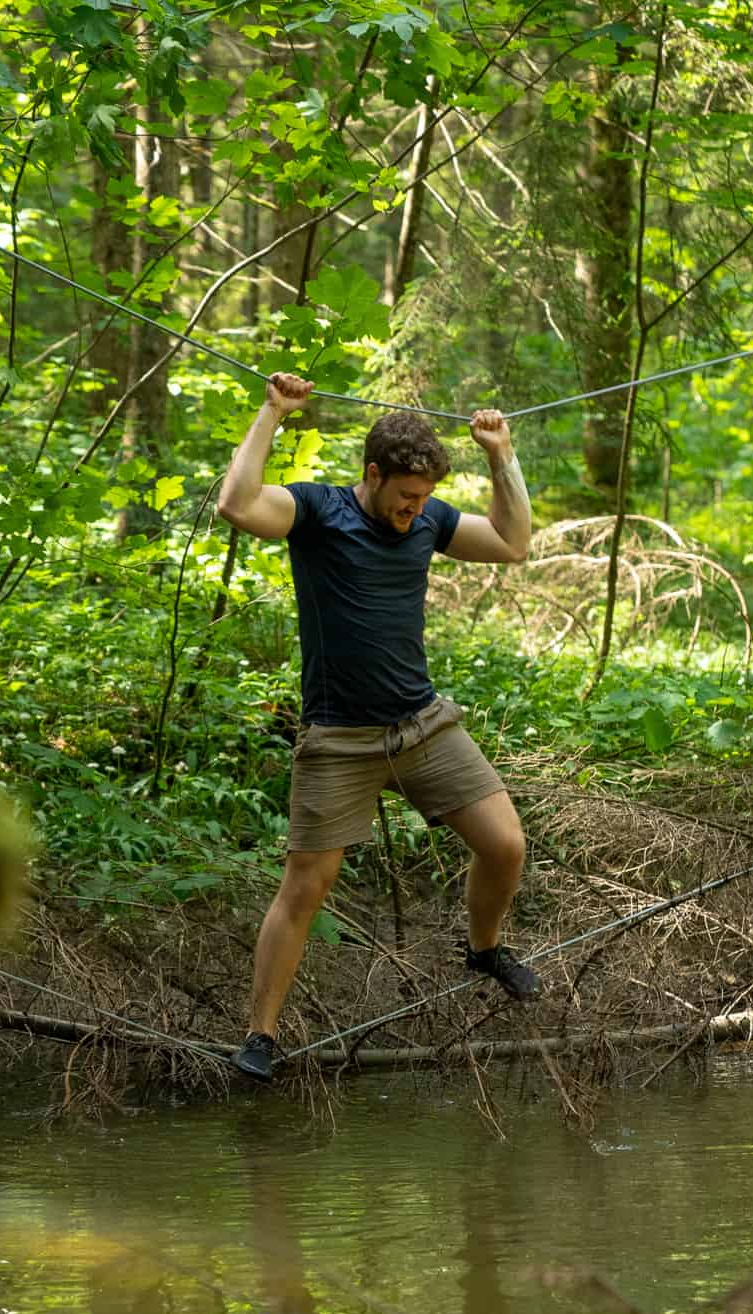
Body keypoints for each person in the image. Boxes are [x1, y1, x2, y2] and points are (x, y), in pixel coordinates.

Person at [218, 371, 537, 1083]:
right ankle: (260, 1036)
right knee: (306, 886)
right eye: (405, 496)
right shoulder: (317, 511)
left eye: (424, 497)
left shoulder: (428, 520)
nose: (414, 510)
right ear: (372, 475)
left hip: (423, 726)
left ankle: (484, 950)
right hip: (339, 740)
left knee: (506, 844)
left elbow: (512, 544)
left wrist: (501, 456)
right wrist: (273, 412)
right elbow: (237, 504)